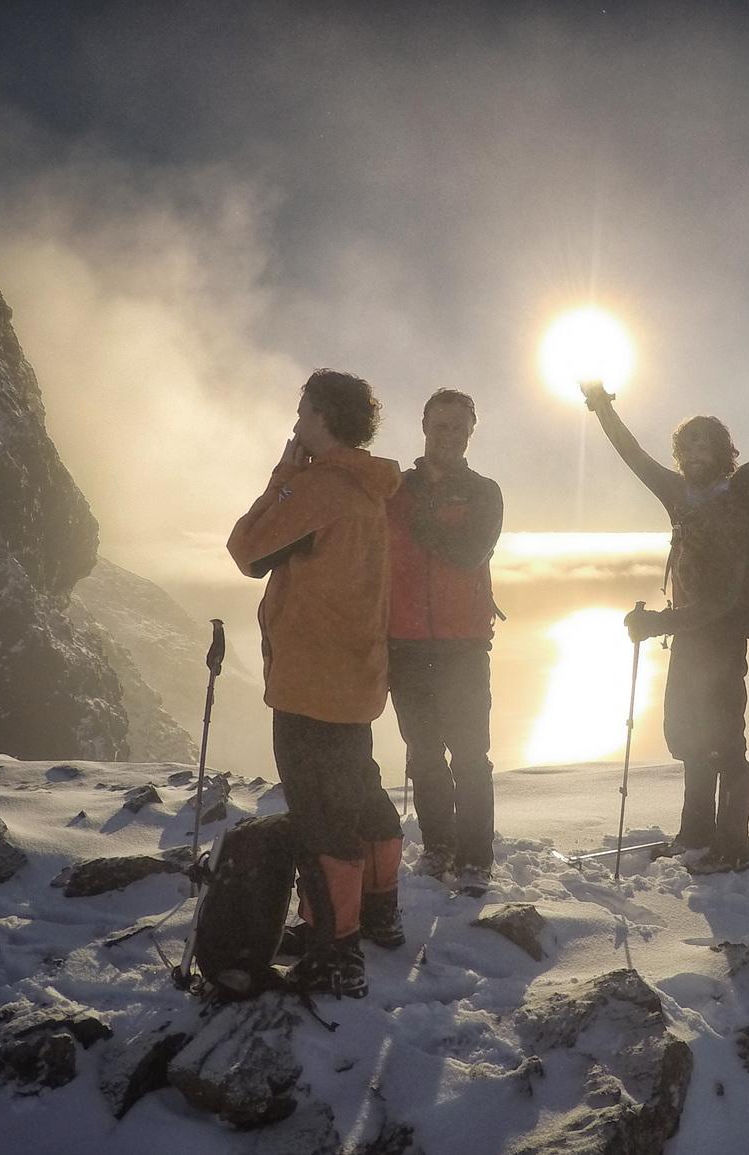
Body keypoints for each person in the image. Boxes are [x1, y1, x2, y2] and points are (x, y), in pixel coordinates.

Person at [226, 369, 404, 999]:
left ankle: (336, 948)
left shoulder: (319, 488)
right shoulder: (371, 489)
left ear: (324, 416)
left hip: (310, 681)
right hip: (355, 676)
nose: (297, 422)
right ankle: (378, 914)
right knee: (361, 794)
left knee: (321, 817)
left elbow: (247, 549)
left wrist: (282, 476)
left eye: (303, 411)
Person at [581, 381, 749, 874]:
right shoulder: (680, 495)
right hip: (688, 639)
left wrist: (661, 621)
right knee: (689, 738)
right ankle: (696, 835)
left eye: (705, 445)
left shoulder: (733, 507)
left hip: (721, 641)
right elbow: (634, 456)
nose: (694, 454)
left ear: (723, 453)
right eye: (688, 447)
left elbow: (722, 600)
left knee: (726, 743)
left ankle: (735, 847)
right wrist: (602, 408)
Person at [387, 388, 504, 896]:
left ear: (471, 433)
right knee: (424, 753)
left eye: (459, 426)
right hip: (404, 643)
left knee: (471, 755)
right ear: (425, 424)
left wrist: (418, 520)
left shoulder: (483, 491)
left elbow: (470, 552)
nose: (449, 434)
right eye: (442, 424)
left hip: (463, 646)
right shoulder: (394, 488)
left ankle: (476, 859)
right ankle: (438, 848)